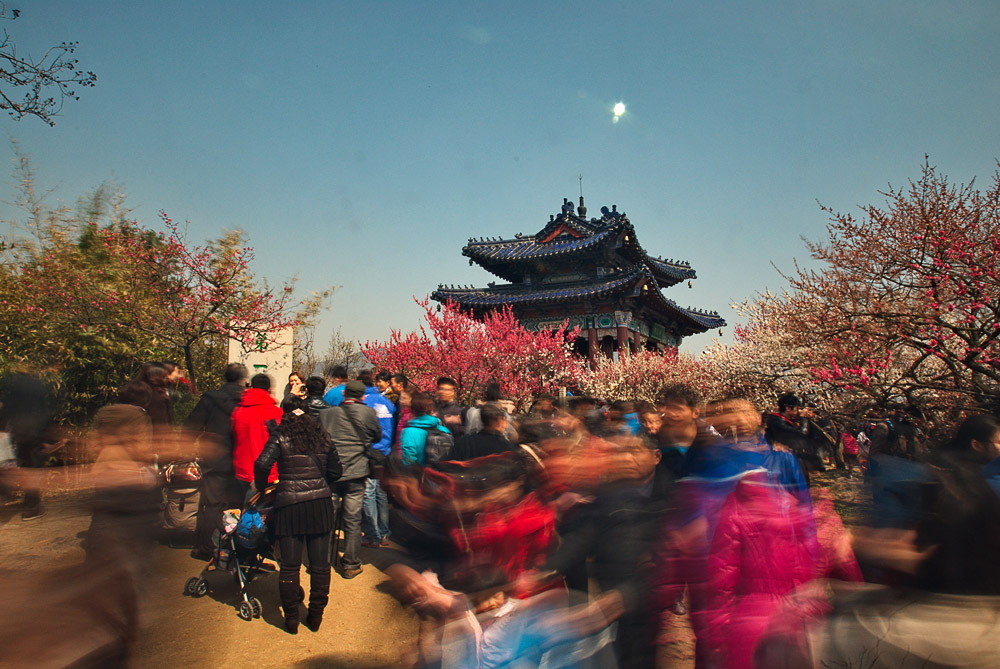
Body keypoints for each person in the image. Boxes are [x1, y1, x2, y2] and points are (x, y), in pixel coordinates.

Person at [254, 396, 343, 634]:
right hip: (320, 506)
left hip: (289, 505)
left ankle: (291, 619)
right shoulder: (322, 436)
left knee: (290, 566)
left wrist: (263, 487)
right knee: (320, 566)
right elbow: (337, 470)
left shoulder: (280, 436)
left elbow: (262, 464)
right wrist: (322, 484)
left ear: (285, 414)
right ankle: (315, 616)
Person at [183, 362, 247, 560]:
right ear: (243, 379)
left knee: (211, 505)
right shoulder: (246, 400)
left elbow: (190, 428)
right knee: (236, 505)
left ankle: (204, 546)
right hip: (240, 460)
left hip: (213, 460)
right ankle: (233, 546)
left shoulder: (210, 399)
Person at [319, 380, 381, 578]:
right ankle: (350, 564)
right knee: (352, 520)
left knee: (327, 518)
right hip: (357, 472)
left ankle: (322, 561)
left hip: (332, 472)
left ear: (344, 393)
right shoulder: (368, 413)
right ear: (362, 396)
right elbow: (377, 437)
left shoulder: (326, 414)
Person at [357, 370, 395, 549]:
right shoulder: (388, 402)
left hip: (371, 451)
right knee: (381, 493)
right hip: (385, 452)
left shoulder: (365, 402)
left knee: (368, 493)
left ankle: (373, 534)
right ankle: (385, 533)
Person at [230, 373, 282, 501]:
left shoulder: (238, 412)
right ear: (269, 389)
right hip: (269, 473)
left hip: (242, 471)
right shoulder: (276, 413)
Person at [447, 404, 513, 461]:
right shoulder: (506, 448)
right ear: (497, 421)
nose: (506, 424)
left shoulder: (463, 443)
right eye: (503, 419)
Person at [399, 391, 451, 466]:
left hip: (421, 474)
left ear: (413, 410)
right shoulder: (444, 430)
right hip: (441, 474)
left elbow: (408, 460)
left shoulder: (408, 432)